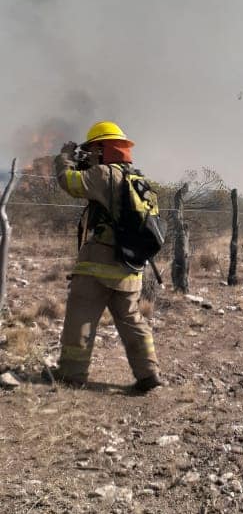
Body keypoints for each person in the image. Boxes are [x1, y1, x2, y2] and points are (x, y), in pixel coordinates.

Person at [50, 121, 161, 394]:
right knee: (132, 321)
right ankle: (149, 374)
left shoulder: (103, 175)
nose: (89, 155)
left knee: (80, 318)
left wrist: (64, 157)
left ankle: (71, 375)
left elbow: (70, 182)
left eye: (92, 150)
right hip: (131, 270)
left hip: (98, 268)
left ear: (103, 148)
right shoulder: (139, 181)